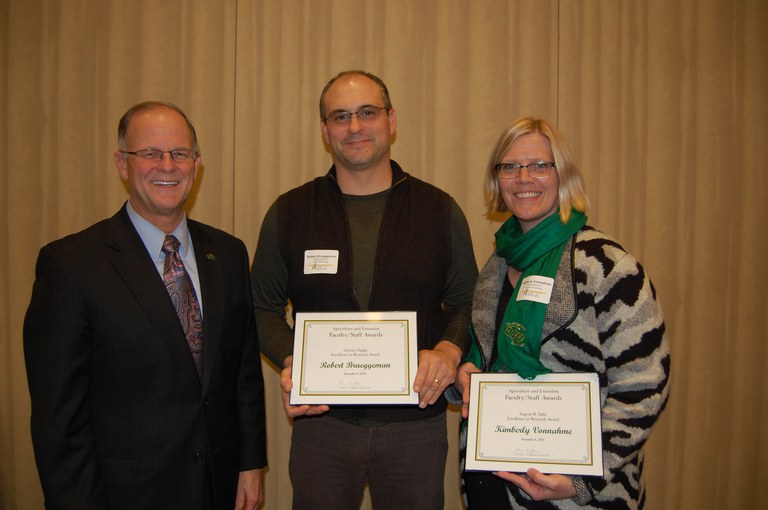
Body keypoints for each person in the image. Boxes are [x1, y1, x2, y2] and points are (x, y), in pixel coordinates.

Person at [250, 70, 478, 509]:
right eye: (340, 116)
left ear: (391, 120)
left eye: (367, 113)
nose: (354, 127)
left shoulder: (438, 210)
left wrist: (450, 351)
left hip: (415, 427)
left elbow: (468, 301)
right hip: (323, 428)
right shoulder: (291, 211)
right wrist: (292, 358)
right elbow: (262, 306)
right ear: (325, 130)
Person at [24, 101, 267, 510]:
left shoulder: (227, 253)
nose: (167, 165)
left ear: (197, 163)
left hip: (217, 485)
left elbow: (242, 373)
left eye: (180, 153)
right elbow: (58, 419)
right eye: (151, 153)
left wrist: (250, 463)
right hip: (125, 495)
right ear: (122, 164)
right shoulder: (71, 265)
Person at [452, 117, 670, 509]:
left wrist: (582, 477)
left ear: (563, 175)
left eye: (540, 165)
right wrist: (467, 372)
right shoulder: (496, 265)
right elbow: (487, 354)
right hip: (493, 484)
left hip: (576, 495)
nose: (524, 178)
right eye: (509, 167)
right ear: (496, 180)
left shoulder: (607, 266)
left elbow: (644, 385)